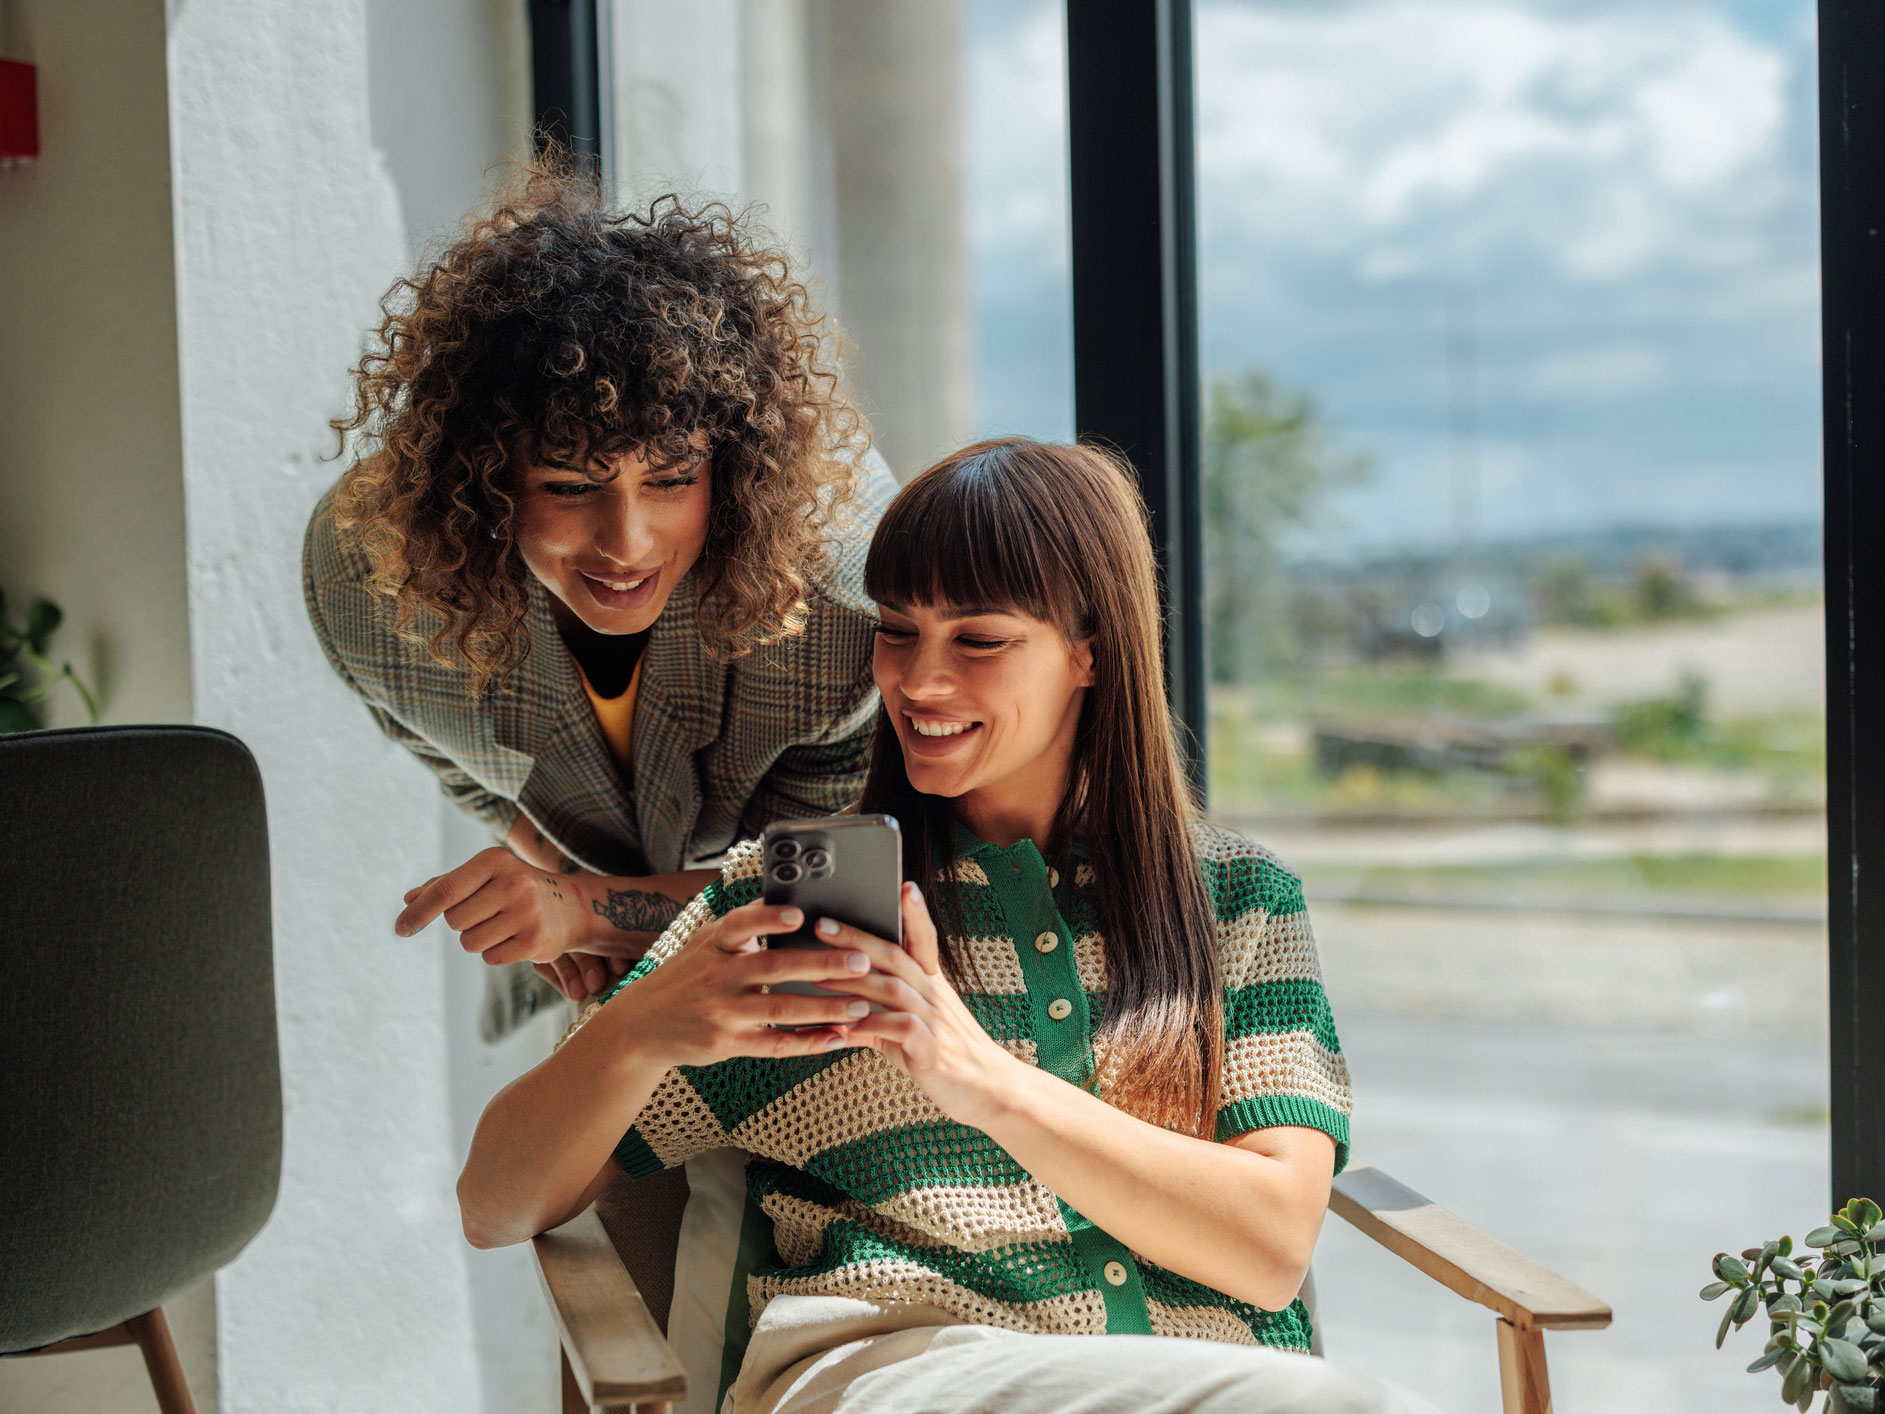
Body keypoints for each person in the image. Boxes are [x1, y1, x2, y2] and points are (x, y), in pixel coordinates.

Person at [456, 438, 1436, 1413]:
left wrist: (971, 1073)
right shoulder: (790, 908)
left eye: (977, 639)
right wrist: (640, 1027)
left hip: (1206, 1379)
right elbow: (495, 1200)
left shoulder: (1238, 901)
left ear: (1089, 649)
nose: (919, 682)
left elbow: (1267, 1250)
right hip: (899, 1369)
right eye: (896, 630)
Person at [303, 167, 894, 1028]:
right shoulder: (370, 586)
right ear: (484, 478)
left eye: (670, 480)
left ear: (728, 471)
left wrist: (584, 910)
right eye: (570, 486)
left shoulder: (842, 609)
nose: (627, 546)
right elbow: (475, 775)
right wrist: (558, 897)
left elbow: (823, 892)